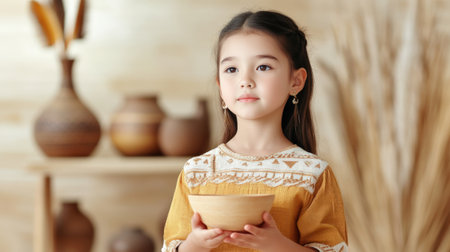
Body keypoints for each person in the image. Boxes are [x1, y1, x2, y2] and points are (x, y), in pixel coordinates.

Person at [162, 10, 347, 252]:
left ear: (296, 81)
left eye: (263, 66)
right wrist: (194, 245)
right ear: (220, 86)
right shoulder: (196, 172)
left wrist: (278, 245)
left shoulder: (313, 174)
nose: (245, 80)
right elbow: (171, 245)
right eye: (231, 70)